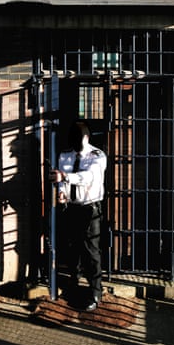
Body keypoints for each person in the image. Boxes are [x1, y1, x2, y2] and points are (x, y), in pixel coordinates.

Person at [49, 120, 107, 311]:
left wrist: (65, 178)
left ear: (86, 138)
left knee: (91, 251)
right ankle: (73, 284)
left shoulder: (97, 156)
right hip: (71, 207)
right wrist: (61, 191)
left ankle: (95, 292)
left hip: (90, 208)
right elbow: (60, 180)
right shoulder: (65, 155)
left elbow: (89, 177)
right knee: (71, 247)